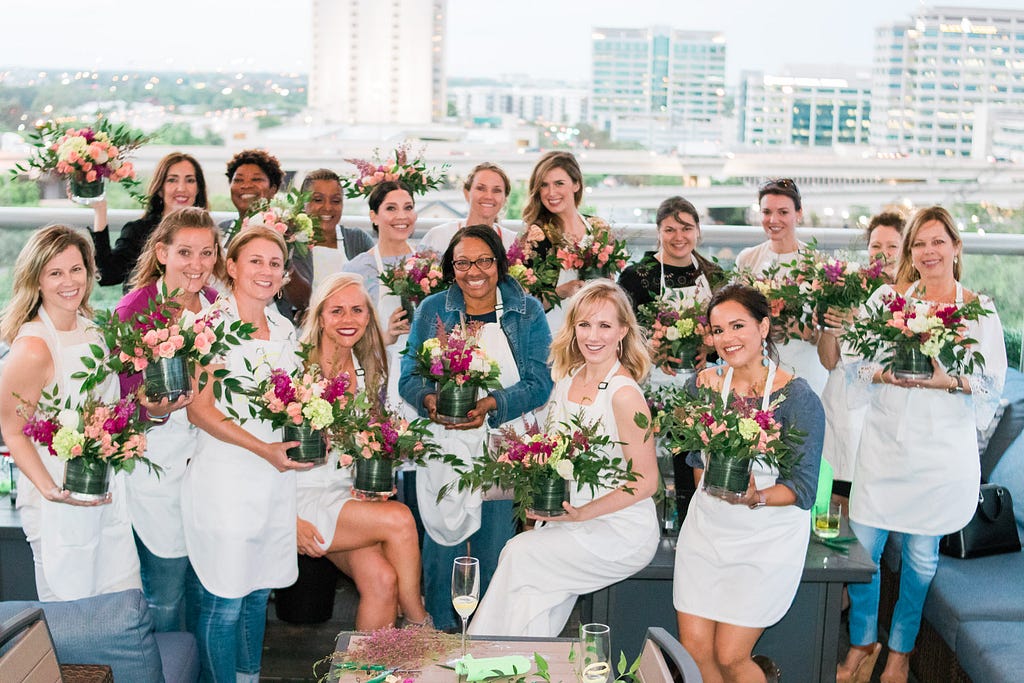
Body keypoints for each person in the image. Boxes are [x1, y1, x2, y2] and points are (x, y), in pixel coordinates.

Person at [838, 207, 1007, 683]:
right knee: (863, 551)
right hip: (886, 447)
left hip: (940, 455)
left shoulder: (979, 309)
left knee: (920, 558)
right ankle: (862, 640)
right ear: (910, 253)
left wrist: (943, 381)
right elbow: (855, 362)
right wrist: (887, 373)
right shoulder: (888, 299)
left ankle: (901, 651)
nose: (928, 252)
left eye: (937, 241)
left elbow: (990, 383)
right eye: (919, 244)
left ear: (956, 246)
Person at [468, 280, 660, 637]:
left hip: (619, 527)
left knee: (520, 555)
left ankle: (487, 652)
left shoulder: (625, 395)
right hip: (569, 515)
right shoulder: (569, 378)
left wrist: (584, 513)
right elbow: (551, 453)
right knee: (533, 589)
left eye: (604, 325)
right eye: (584, 324)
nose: (593, 335)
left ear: (622, 331)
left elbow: (647, 482)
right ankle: (516, 663)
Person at [399, 224, 553, 631]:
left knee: (494, 547)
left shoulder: (527, 310)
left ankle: (487, 641)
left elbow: (540, 382)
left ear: (499, 264)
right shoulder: (433, 310)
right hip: (444, 443)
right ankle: (439, 639)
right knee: (440, 547)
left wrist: (492, 404)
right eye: (462, 262)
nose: (474, 271)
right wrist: (431, 401)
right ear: (451, 267)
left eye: (484, 260)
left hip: (503, 446)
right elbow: (409, 378)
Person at [673, 283, 824, 683]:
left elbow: (804, 488)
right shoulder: (700, 385)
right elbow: (694, 461)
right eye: (718, 330)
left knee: (730, 655)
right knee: (695, 649)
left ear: (763, 327)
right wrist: (718, 488)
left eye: (737, 325)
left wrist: (754, 498)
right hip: (706, 532)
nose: (727, 338)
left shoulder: (797, 396)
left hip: (767, 537)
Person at [182, 225, 313, 683]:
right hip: (226, 479)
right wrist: (265, 450)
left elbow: (292, 401)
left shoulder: (284, 327)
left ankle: (249, 678)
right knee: (225, 600)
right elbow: (199, 412)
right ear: (231, 267)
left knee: (258, 594)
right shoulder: (208, 326)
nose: (266, 270)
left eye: (275, 263)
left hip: (273, 481)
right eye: (255, 260)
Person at [0, 225, 142, 601]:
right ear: (37, 279)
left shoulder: (94, 330)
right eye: (55, 272)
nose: (69, 281)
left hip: (104, 491)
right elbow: (12, 430)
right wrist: (51, 490)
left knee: (119, 602)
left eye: (76, 269)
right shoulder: (32, 347)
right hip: (56, 505)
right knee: (71, 610)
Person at [293, 272, 429, 630]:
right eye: (336, 311)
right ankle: (420, 622)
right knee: (400, 519)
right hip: (300, 499)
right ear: (319, 316)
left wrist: (394, 446)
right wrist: (286, 519)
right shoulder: (293, 366)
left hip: (346, 496)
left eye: (357, 310)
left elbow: (369, 445)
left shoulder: (368, 368)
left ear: (369, 317)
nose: (348, 319)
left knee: (382, 582)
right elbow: (265, 452)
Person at [114, 207, 225, 631]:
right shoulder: (135, 308)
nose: (196, 265)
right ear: (161, 252)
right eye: (184, 252)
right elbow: (120, 400)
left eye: (206, 253)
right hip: (156, 465)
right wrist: (153, 409)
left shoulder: (218, 305)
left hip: (210, 462)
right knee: (166, 592)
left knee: (206, 586)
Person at [817, 211, 904, 500]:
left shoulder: (909, 298)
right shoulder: (847, 287)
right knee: (836, 489)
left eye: (892, 246)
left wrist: (858, 322)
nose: (883, 254)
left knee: (874, 490)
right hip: (840, 400)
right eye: (876, 246)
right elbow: (829, 361)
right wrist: (833, 326)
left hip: (880, 400)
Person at [735, 178, 827, 395]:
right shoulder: (747, 259)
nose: (773, 219)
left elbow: (825, 332)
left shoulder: (817, 263)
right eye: (767, 212)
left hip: (804, 368)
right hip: (757, 369)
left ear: (799, 213)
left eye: (783, 212)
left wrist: (799, 330)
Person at [618, 195, 725, 377]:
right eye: (670, 230)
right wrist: (650, 351)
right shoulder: (635, 276)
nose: (679, 237)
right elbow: (618, 332)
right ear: (658, 232)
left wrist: (708, 348)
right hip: (651, 378)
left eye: (686, 229)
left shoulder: (713, 275)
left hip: (707, 377)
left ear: (697, 230)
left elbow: (727, 328)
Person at [89, 152, 208, 290]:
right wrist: (100, 210)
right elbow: (108, 275)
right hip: (143, 311)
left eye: (190, 180)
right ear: (160, 189)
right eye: (172, 180)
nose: (181, 188)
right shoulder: (138, 231)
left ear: (198, 189)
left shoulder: (207, 234)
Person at [521, 151, 608, 332]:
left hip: (595, 335)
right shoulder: (537, 236)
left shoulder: (599, 228)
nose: (551, 192)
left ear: (576, 184)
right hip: (551, 336)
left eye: (559, 183)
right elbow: (525, 305)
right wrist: (563, 291)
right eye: (544, 185)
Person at [295, 169, 374, 298]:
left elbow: (377, 284)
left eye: (336, 201)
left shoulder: (357, 239)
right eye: (318, 200)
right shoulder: (293, 243)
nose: (328, 207)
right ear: (303, 203)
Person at [420, 162, 518, 254]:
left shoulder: (513, 242)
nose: (488, 196)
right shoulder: (439, 236)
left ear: (505, 198)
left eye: (496, 190)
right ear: (467, 193)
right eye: (481, 188)